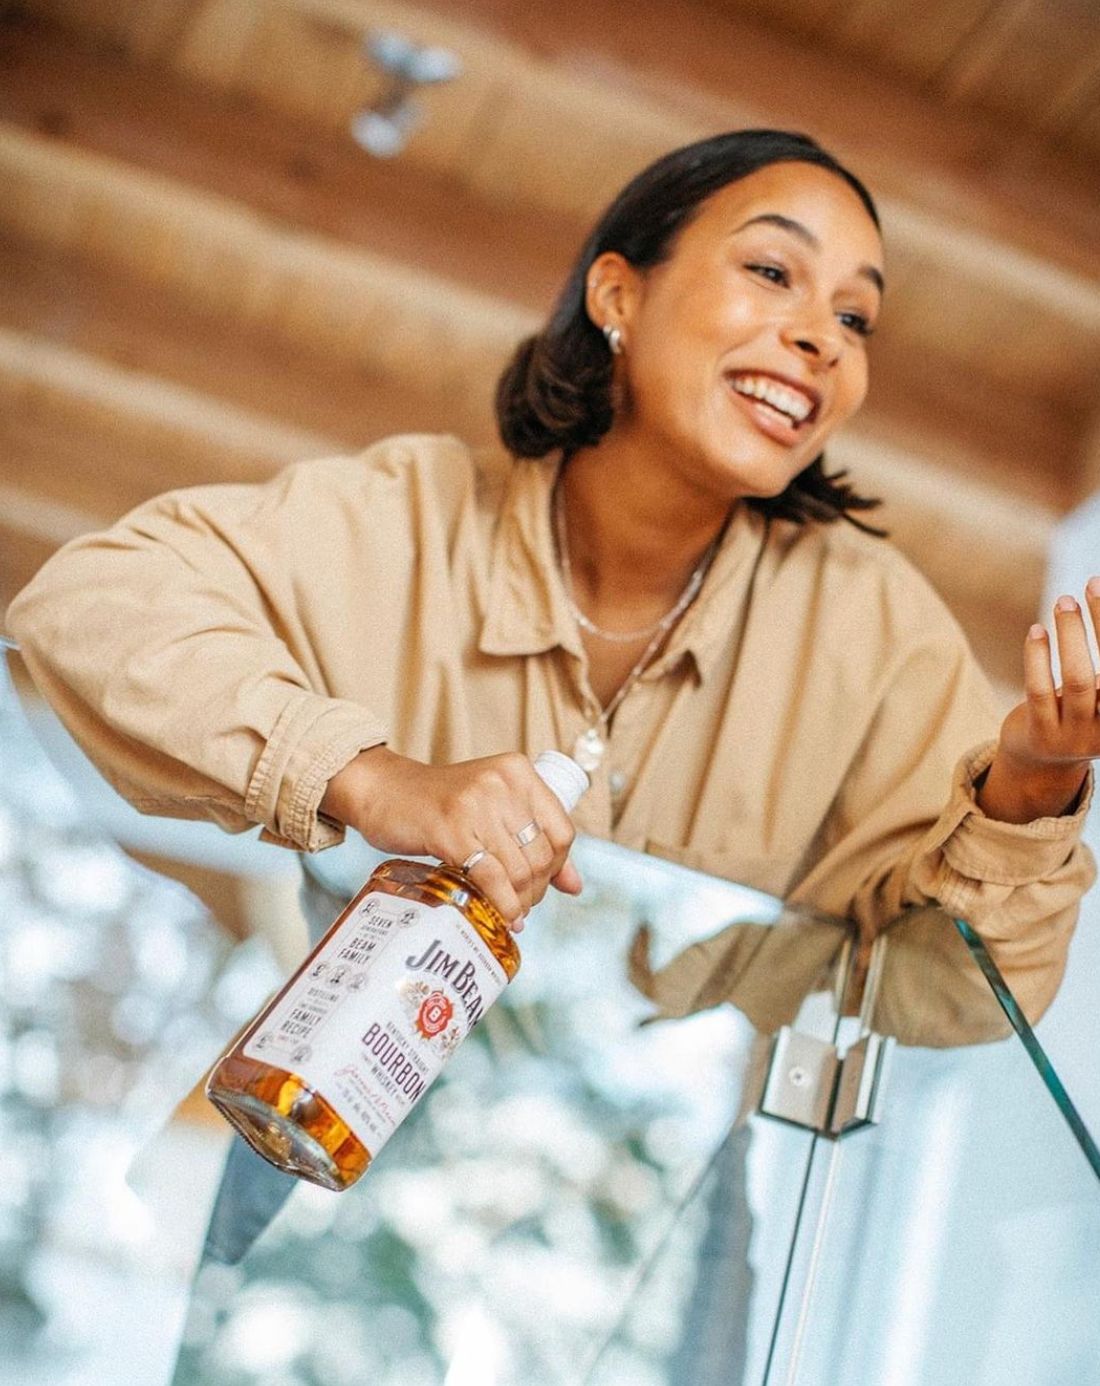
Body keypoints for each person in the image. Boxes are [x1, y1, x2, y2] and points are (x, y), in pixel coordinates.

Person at [6, 131, 1098, 1273]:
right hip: (312, 1185)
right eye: (772, 271)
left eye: (857, 318)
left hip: (640, 1251)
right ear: (618, 291)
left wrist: (1031, 784)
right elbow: (89, 600)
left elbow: (953, 1004)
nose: (822, 336)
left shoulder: (877, 636)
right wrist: (374, 779)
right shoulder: (415, 512)